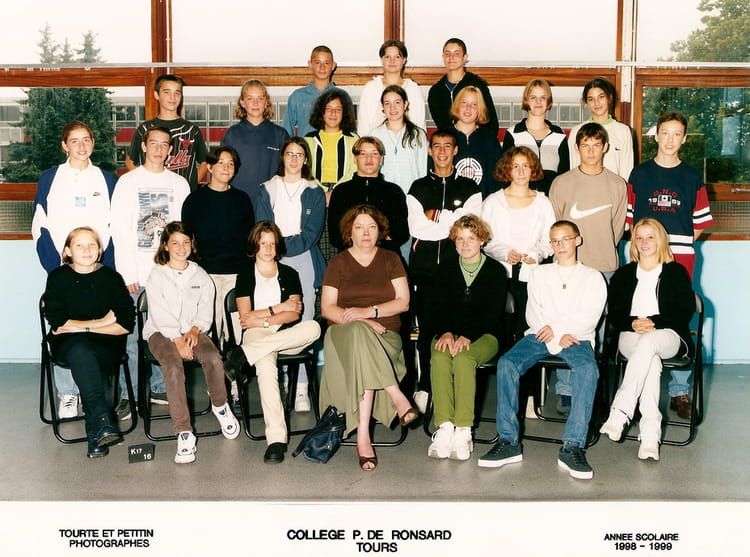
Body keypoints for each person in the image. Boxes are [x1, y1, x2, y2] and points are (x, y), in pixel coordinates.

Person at [478, 220, 606, 480]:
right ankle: (508, 441)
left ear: (578, 240)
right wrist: (554, 334)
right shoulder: (539, 273)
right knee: (507, 363)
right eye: (555, 241)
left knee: (587, 369)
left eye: (565, 239)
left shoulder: (593, 276)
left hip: (576, 337)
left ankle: (572, 446)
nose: (560, 245)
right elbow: (533, 312)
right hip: (539, 334)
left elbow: (590, 316)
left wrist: (558, 331)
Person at [626, 110, 713, 419]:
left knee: (677, 317)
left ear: (684, 139)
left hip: (679, 255)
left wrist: (675, 245)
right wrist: (649, 247)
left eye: (677, 134)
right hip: (645, 254)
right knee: (642, 313)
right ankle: (637, 388)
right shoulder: (640, 174)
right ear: (656, 136)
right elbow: (630, 221)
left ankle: (678, 391)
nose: (670, 139)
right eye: (665, 133)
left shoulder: (691, 176)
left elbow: (699, 224)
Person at [319, 205, 418, 471]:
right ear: (349, 232)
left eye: (372, 227)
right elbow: (327, 308)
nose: (366, 233)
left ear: (379, 232)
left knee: (362, 343)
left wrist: (368, 312)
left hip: (386, 336)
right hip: (342, 335)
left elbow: (403, 302)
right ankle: (396, 396)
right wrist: (363, 321)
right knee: (359, 333)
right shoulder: (338, 262)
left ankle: (363, 435)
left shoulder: (391, 259)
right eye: (359, 227)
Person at [32, 120, 118, 419]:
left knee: (97, 327)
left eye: (87, 140)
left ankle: (95, 390)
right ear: (64, 145)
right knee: (64, 326)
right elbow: (40, 224)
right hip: (62, 269)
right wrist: (55, 268)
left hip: (98, 270)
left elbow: (114, 227)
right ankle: (68, 393)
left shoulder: (106, 179)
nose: (82, 146)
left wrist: (105, 268)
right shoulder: (50, 178)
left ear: (93, 143)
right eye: (75, 140)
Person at [142, 222, 241, 464]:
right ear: (166, 246)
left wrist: (196, 329)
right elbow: (159, 313)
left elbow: (206, 309)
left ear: (192, 245)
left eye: (186, 242)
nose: (181, 247)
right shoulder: (156, 275)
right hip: (161, 333)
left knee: (213, 358)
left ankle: (220, 406)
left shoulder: (200, 275)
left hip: (192, 330)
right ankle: (184, 432)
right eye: (175, 242)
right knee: (173, 366)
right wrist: (177, 339)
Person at [111, 125, 190, 419]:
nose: (159, 149)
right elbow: (119, 230)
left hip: (168, 275)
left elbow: (182, 233)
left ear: (170, 150)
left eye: (164, 144)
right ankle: (128, 394)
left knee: (166, 334)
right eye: (153, 143)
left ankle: (159, 387)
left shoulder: (179, 184)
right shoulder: (127, 182)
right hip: (137, 274)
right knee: (132, 338)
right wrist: (127, 272)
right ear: (143, 147)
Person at [601, 218, 695, 461]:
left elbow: (684, 311)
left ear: (660, 240)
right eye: (639, 238)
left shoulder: (675, 272)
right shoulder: (623, 275)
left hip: (667, 335)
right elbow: (615, 312)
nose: (644, 243)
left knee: (649, 343)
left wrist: (654, 322)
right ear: (633, 242)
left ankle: (621, 411)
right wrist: (632, 323)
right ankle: (650, 436)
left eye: (650, 237)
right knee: (649, 361)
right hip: (630, 335)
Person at [549, 122, 626, 413]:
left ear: (605, 147)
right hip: (568, 269)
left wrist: (601, 250)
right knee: (566, 327)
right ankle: (566, 389)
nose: (591, 151)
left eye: (596, 145)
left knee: (598, 332)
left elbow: (617, 229)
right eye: (585, 145)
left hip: (604, 268)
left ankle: (591, 387)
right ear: (577, 148)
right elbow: (555, 226)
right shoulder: (562, 183)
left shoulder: (617, 185)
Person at [407, 128, 482, 412]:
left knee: (456, 329)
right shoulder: (417, 187)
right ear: (429, 150)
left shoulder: (470, 189)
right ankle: (425, 386)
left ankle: (452, 386)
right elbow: (417, 228)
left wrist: (435, 217)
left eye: (447, 146)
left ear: (455, 150)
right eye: (436, 146)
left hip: (458, 271)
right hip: (424, 271)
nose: (441, 151)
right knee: (427, 331)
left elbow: (467, 227)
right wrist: (450, 220)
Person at [43, 227, 134, 458]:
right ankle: (101, 422)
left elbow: (125, 324)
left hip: (106, 346)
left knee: (84, 351)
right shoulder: (58, 278)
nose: (87, 250)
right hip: (67, 346)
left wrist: (82, 326)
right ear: (67, 251)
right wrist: (102, 322)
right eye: (79, 245)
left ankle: (98, 431)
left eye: (92, 244)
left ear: (100, 249)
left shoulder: (111, 278)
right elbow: (58, 323)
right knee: (81, 350)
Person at [234, 221, 321, 464]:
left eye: (272, 244)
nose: (268, 248)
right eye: (263, 243)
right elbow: (245, 317)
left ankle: (242, 355)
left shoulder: (290, 274)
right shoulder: (245, 274)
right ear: (254, 245)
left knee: (314, 327)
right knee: (265, 366)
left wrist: (265, 318)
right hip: (256, 335)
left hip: (284, 334)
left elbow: (294, 315)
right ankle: (276, 440)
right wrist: (278, 308)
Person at [428, 215, 506, 461]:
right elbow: (436, 307)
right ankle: (444, 428)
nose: (465, 244)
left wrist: (468, 336)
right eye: (459, 239)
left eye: (471, 238)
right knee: (440, 357)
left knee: (463, 359)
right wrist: (446, 331)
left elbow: (493, 313)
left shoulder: (495, 270)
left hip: (485, 335)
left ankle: (463, 431)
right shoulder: (445, 268)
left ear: (482, 240)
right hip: (447, 333)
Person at [255, 137, 326, 411]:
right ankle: (282, 381)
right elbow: (263, 227)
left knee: (302, 319)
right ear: (282, 157)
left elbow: (311, 234)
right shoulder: (267, 188)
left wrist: (280, 246)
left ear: (306, 160)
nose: (294, 159)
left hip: (302, 258)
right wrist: (274, 250)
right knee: (275, 319)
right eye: (289, 154)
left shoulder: (314, 191)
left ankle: (302, 387)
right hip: (270, 259)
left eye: (299, 155)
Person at [181, 145, 254, 346]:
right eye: (220, 162)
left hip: (236, 274)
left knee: (237, 334)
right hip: (205, 273)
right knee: (208, 332)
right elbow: (187, 239)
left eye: (231, 164)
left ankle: (234, 366)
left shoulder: (242, 200)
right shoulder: (194, 200)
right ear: (210, 167)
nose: (226, 167)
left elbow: (250, 239)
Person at [482, 146, 556, 340]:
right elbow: (485, 239)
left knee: (527, 327)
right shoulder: (493, 202)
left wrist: (536, 253)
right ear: (507, 170)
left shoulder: (543, 202)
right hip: (501, 273)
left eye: (526, 166)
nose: (521, 171)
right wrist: (504, 252)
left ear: (533, 169)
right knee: (502, 328)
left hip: (531, 274)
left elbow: (549, 240)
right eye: (516, 166)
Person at [327, 137, 409, 256]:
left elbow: (402, 233)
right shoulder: (341, 191)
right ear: (355, 159)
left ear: (381, 160)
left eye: (374, 154)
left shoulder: (394, 191)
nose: (369, 158)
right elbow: (335, 234)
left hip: (385, 255)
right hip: (350, 255)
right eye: (363, 154)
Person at [125, 74, 208, 192]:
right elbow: (130, 161)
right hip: (152, 194)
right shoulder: (144, 129)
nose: (172, 97)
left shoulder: (192, 130)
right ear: (156, 95)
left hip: (183, 196)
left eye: (177, 93)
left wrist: (189, 186)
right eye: (167, 92)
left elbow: (205, 162)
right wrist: (144, 183)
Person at [304, 88, 359, 261]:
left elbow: (354, 170)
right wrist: (322, 192)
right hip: (315, 194)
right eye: (328, 109)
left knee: (342, 243)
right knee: (318, 245)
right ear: (321, 112)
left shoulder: (353, 139)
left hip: (344, 195)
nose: (333, 113)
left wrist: (335, 192)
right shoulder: (308, 140)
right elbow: (305, 171)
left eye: (338, 109)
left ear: (344, 113)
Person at [221, 79, 290, 208]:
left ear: (266, 102)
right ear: (242, 102)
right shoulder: (232, 134)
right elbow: (221, 172)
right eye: (250, 98)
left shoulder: (280, 134)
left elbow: (289, 172)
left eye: (260, 98)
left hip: (271, 203)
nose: (255, 103)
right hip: (238, 204)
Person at [503, 78, 569, 195]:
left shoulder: (559, 135)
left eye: (543, 97)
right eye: (533, 97)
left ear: (548, 101)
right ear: (526, 100)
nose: (538, 101)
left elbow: (564, 177)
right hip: (520, 199)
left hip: (551, 200)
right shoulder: (513, 134)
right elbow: (506, 174)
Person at [568, 77, 634, 180]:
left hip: (614, 188)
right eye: (591, 99)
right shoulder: (576, 131)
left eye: (601, 97)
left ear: (609, 98)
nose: (596, 102)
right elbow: (574, 168)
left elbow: (627, 171)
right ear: (586, 103)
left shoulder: (623, 131)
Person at [428, 38, 498, 135]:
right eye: (447, 54)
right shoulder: (436, 91)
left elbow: (491, 123)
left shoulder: (477, 85)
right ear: (443, 57)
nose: (451, 57)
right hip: (449, 142)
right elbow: (441, 126)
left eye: (456, 54)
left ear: (465, 57)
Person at [356, 40, 426, 137]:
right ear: (382, 60)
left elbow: (420, 124)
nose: (392, 61)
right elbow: (363, 125)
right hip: (376, 143)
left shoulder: (413, 89)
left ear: (404, 60)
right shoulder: (371, 88)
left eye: (397, 57)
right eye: (387, 57)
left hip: (408, 141)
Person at [370, 85, 428, 197]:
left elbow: (422, 170)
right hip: (383, 195)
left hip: (411, 195)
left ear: (405, 104)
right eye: (387, 103)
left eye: (397, 102)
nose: (392, 108)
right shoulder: (375, 135)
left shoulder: (418, 134)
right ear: (382, 107)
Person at [282, 45, 351, 138]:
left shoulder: (343, 96)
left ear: (333, 66)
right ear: (310, 64)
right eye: (318, 63)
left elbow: (350, 131)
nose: (322, 67)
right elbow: (286, 132)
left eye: (326, 63)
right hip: (307, 146)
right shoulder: (297, 96)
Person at [450, 86, 502, 198]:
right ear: (457, 105)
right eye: (464, 103)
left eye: (474, 104)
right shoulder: (444, 137)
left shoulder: (490, 140)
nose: (468, 108)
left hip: (482, 203)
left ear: (480, 109)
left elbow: (497, 180)